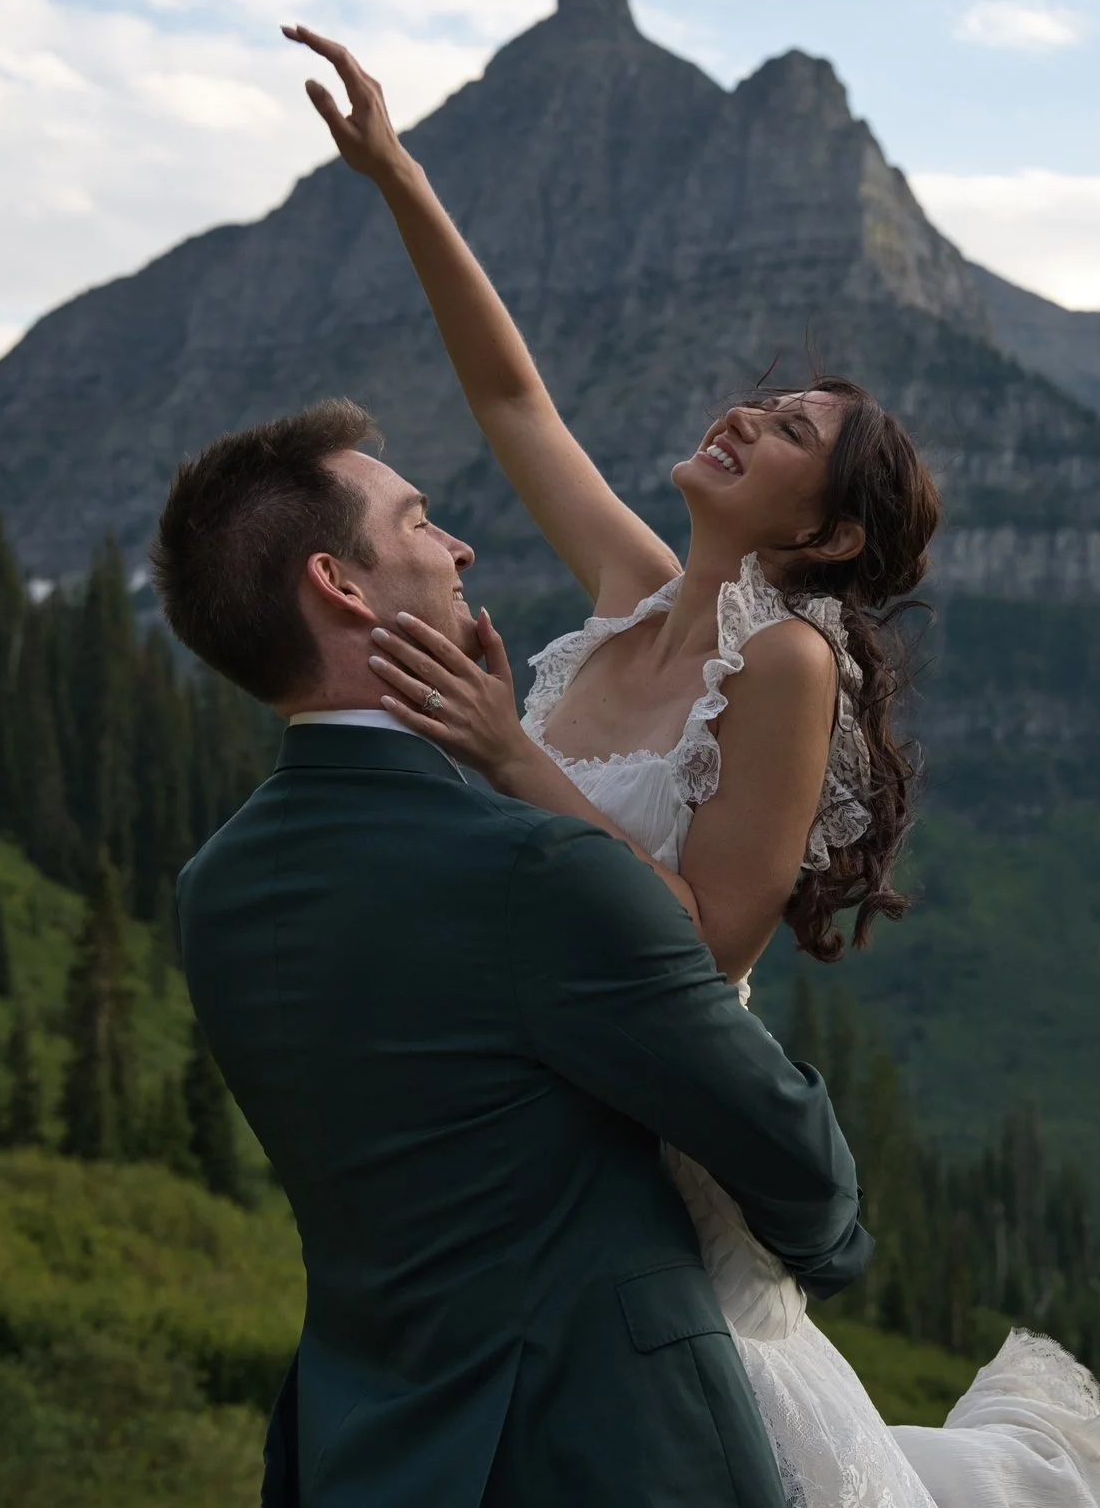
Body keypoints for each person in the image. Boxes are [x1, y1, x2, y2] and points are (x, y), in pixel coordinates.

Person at [287, 23, 1100, 1508]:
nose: (739, 418)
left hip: (659, 1131)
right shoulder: (634, 589)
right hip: (540, 1089)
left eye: (780, 434)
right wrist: (397, 173)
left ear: (823, 533)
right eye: (756, 404)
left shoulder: (787, 665)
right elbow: (516, 405)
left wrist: (513, 752)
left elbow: (703, 941)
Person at [155, 399, 873, 1508]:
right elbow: (804, 1171)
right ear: (342, 588)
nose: (460, 547)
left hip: (357, 1455)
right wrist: (803, 1259)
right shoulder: (539, 871)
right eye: (419, 523)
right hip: (607, 1454)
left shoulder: (215, 891)